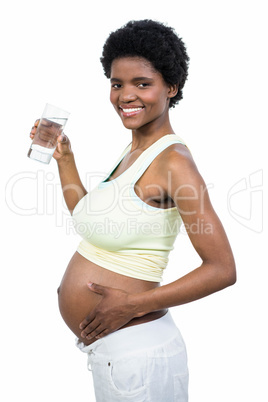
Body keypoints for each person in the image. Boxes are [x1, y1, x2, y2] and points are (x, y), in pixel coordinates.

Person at [30, 19, 236, 402]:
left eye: (142, 84)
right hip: (117, 354)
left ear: (171, 88)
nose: (126, 95)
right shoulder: (134, 152)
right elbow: (90, 221)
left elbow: (222, 270)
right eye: (117, 83)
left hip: (139, 354)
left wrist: (130, 305)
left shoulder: (175, 162)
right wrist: (65, 159)